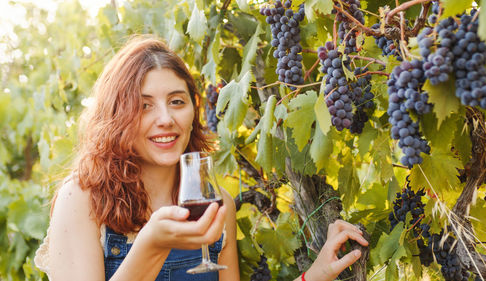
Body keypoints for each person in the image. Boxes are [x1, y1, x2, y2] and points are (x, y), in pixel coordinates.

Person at [34, 35, 368, 281]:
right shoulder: (82, 199)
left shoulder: (217, 205)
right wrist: (151, 245)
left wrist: (317, 273)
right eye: (144, 104)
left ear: (194, 109)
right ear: (117, 115)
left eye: (177, 101)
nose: (165, 118)